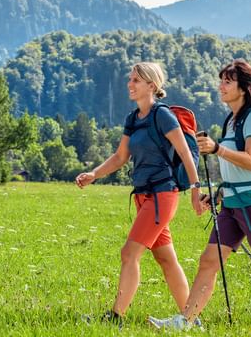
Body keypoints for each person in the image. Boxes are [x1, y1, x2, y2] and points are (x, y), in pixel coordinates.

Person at [148, 59, 251, 334]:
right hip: (231, 204)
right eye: (222, 80)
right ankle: (187, 321)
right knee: (209, 261)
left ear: (243, 88)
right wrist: (218, 195)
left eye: (228, 81)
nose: (221, 86)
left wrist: (217, 149)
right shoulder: (232, 121)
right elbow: (234, 167)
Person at [76, 62, 203, 327]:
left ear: (152, 86)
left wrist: (195, 189)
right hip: (144, 196)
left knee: (129, 253)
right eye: (130, 79)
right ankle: (192, 319)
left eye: (136, 80)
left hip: (162, 195)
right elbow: (121, 156)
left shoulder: (163, 116)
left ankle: (116, 317)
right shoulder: (133, 119)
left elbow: (184, 154)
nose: (129, 84)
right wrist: (94, 174)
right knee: (166, 259)